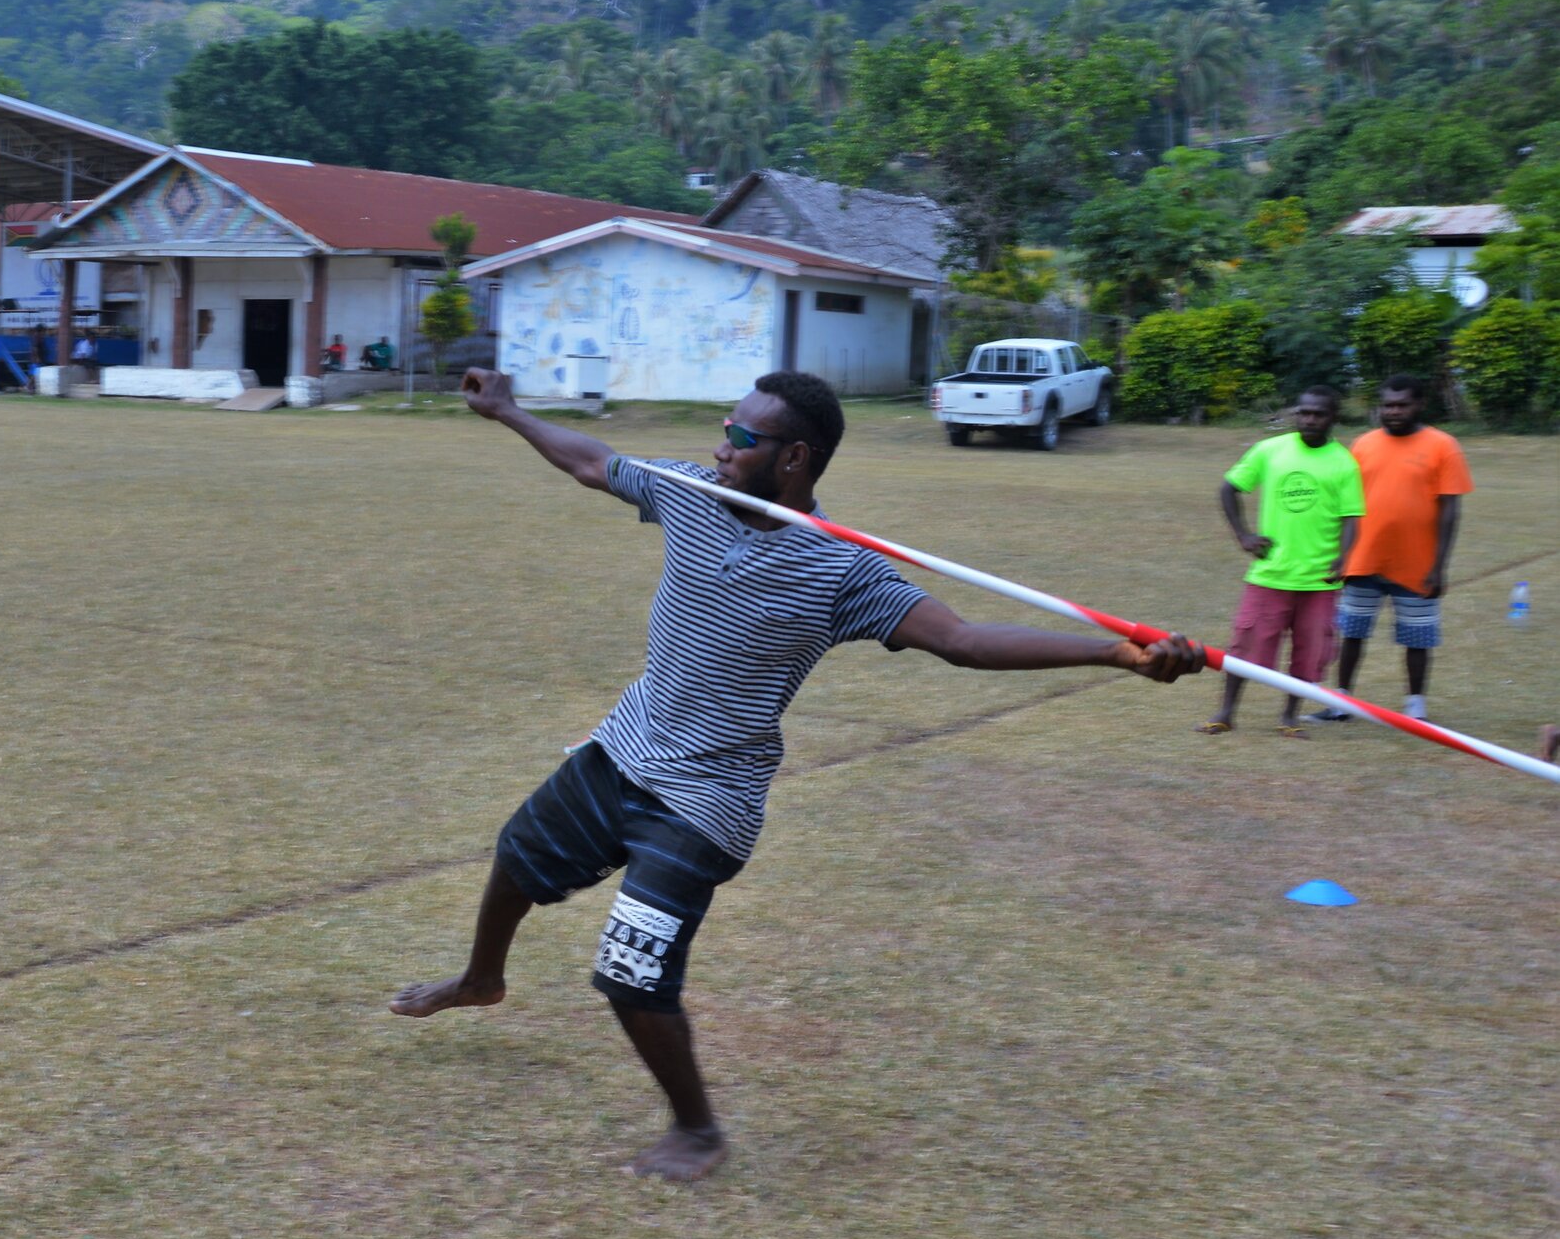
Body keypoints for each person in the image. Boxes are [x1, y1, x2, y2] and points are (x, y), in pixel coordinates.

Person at [391, 367, 1206, 1183]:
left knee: (630, 975)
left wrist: (1113, 652)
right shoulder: (690, 493)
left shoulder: (841, 571)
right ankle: (481, 977)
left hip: (707, 802)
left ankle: (698, 1132)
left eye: (742, 439)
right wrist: (506, 411)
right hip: (627, 745)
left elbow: (961, 640)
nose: (720, 447)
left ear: (795, 459)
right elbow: (592, 462)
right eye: (725, 427)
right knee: (518, 852)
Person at [1200, 387, 1363, 737]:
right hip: (1270, 574)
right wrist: (1244, 535)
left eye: (1318, 413)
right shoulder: (1270, 450)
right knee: (1244, 647)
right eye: (1303, 412)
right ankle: (1226, 712)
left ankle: (1289, 717)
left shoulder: (1344, 463)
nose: (1309, 419)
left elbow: (1352, 518)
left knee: (1311, 653)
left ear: (1332, 418)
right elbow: (1229, 487)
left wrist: (1344, 558)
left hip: (1319, 579)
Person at [1310, 376, 1472, 724]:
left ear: (1419, 405)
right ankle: (1341, 701)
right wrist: (1338, 553)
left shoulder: (1443, 446)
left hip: (1417, 564)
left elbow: (1450, 511)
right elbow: (1344, 505)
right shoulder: (1363, 444)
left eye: (1401, 405)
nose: (1393, 411)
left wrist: (1439, 566)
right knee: (1352, 631)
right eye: (1387, 405)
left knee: (1417, 637)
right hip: (1362, 559)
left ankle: (1415, 708)